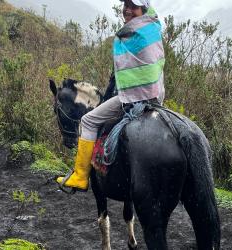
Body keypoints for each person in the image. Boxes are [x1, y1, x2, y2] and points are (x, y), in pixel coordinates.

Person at [56, 0, 165, 192]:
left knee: (88, 120)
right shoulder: (152, 28)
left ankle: (80, 176)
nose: (128, 9)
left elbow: (125, 75)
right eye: (126, 5)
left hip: (134, 97)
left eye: (134, 6)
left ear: (144, 9)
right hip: (156, 96)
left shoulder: (130, 32)